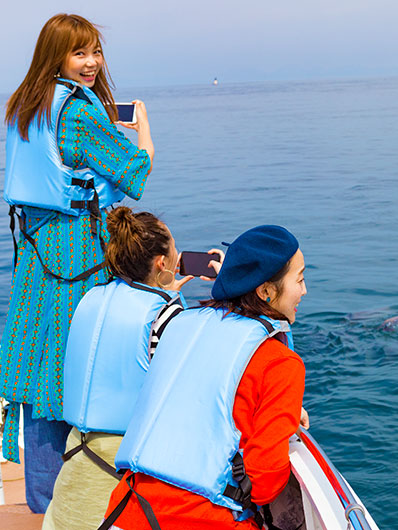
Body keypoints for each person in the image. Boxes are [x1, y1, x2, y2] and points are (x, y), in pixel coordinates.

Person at [0, 13, 154, 512]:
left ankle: (44, 501)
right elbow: (134, 172)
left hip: (33, 253)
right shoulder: (81, 114)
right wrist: (142, 130)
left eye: (95, 52)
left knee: (40, 371)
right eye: (80, 53)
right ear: (58, 56)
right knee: (85, 364)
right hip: (78, 254)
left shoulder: (26, 104)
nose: (91, 64)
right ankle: (89, 499)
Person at [102, 225, 308, 530]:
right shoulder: (279, 362)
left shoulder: (181, 323)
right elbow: (265, 478)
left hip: (126, 509)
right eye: (300, 279)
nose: (304, 291)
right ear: (265, 291)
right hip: (204, 519)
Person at [42, 207, 223, 529]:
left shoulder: (90, 298)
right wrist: (224, 288)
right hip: (119, 481)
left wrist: (165, 296)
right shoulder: (164, 316)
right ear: (162, 263)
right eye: (175, 251)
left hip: (75, 467)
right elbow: (204, 386)